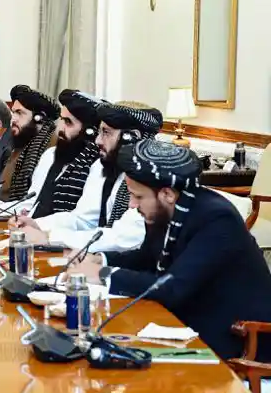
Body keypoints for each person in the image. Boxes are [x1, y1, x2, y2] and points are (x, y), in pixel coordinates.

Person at [68, 139, 271, 361]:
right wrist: (100, 259)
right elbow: (147, 257)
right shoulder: (166, 210)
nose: (131, 205)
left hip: (233, 340)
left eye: (138, 196)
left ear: (167, 194)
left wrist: (102, 274)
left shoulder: (218, 219)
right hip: (184, 325)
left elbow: (173, 288)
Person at [12, 100, 162, 253]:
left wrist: (49, 237)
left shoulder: (150, 179)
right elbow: (83, 219)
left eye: (106, 133)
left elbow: (122, 238)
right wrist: (37, 225)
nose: (97, 140)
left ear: (130, 138)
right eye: (99, 132)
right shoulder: (101, 167)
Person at [7, 89, 103, 217]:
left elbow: (83, 219)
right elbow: (35, 201)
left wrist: (37, 224)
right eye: (62, 120)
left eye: (68, 122)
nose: (60, 129)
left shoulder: (96, 165)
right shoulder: (51, 155)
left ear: (88, 131)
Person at [0, 85, 59, 202]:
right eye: (13, 112)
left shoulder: (52, 147)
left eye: (19, 113)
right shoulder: (21, 142)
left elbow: (34, 199)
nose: (13, 119)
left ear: (39, 118)